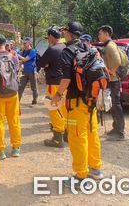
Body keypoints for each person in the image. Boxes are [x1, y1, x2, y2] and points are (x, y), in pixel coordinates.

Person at [51, 22, 103, 186]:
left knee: (77, 137)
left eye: (64, 31)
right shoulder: (91, 48)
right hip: (91, 100)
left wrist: (58, 95)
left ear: (67, 33)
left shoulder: (68, 51)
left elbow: (66, 78)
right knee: (91, 133)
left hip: (76, 101)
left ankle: (81, 176)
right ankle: (96, 169)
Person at [0, 34, 21, 160]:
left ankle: (0, 149)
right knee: (14, 120)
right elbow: (16, 71)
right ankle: (16, 148)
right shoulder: (13, 56)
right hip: (13, 92)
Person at [36, 26, 67, 148]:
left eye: (48, 38)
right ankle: (66, 134)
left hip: (54, 83)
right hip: (66, 82)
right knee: (64, 108)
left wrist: (47, 65)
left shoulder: (52, 49)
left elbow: (40, 63)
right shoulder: (65, 47)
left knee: (54, 108)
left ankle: (58, 138)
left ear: (50, 37)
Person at [98, 25, 125, 141]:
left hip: (114, 81)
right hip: (111, 81)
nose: (99, 36)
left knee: (116, 105)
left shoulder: (110, 46)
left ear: (107, 34)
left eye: (100, 33)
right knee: (112, 105)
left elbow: (117, 61)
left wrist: (110, 72)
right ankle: (116, 128)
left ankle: (120, 132)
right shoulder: (107, 46)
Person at [17, 37, 38, 105]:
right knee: (21, 87)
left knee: (33, 87)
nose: (24, 44)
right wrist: (18, 66)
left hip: (32, 71)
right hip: (25, 72)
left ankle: (35, 99)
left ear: (29, 43)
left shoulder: (33, 51)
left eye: (25, 42)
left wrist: (17, 55)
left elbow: (25, 59)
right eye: (24, 42)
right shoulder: (24, 51)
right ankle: (17, 102)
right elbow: (21, 61)